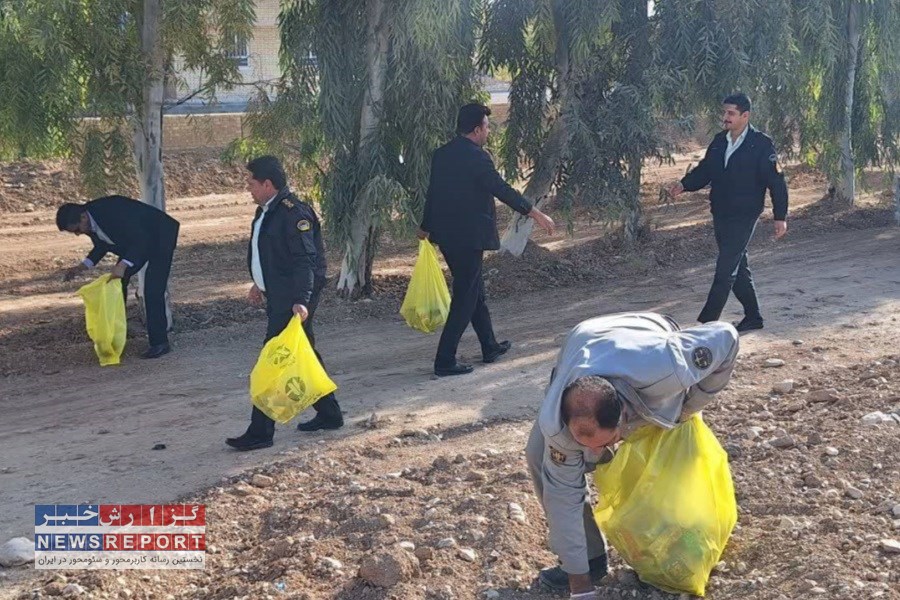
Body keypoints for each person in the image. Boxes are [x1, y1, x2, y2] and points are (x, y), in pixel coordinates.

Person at [526, 312, 739, 598]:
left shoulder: (668, 368)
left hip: (644, 338)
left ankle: (678, 547)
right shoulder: (556, 425)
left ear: (625, 416)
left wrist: (689, 406)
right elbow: (563, 500)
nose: (594, 455)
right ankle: (590, 559)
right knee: (538, 454)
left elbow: (727, 336)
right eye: (586, 445)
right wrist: (581, 588)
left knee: (669, 469)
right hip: (582, 340)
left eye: (606, 442)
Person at [418, 102, 555, 377]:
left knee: (474, 289)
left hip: (447, 236)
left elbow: (434, 193)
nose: (489, 131)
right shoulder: (477, 157)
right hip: (469, 237)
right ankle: (444, 360)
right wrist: (535, 213)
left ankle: (489, 346)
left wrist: (425, 226)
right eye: (488, 126)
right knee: (466, 297)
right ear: (478, 129)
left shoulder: (441, 154)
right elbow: (500, 189)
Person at [226, 156, 343, 452]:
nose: (248, 189)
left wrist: (301, 301)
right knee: (306, 354)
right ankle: (330, 414)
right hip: (280, 294)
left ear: (267, 184)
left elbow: (306, 261)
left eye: (251, 183)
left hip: (294, 298)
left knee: (273, 359)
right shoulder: (265, 211)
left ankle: (261, 431)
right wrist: (259, 283)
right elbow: (270, 254)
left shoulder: (294, 213)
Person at [668, 92, 788, 332]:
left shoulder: (761, 144)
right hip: (721, 211)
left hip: (745, 215)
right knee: (737, 266)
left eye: (731, 113)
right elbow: (706, 170)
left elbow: (777, 182)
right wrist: (684, 185)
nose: (725, 117)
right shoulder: (720, 140)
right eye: (724, 112)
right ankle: (753, 317)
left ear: (745, 116)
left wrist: (780, 216)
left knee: (725, 268)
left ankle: (705, 324)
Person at [57, 196, 180, 359]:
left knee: (153, 290)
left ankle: (160, 343)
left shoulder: (109, 213)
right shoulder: (90, 220)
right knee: (116, 282)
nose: (79, 234)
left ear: (83, 217)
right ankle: (117, 332)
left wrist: (122, 265)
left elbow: (141, 239)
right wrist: (83, 266)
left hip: (159, 236)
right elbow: (102, 244)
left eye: (78, 230)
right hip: (135, 242)